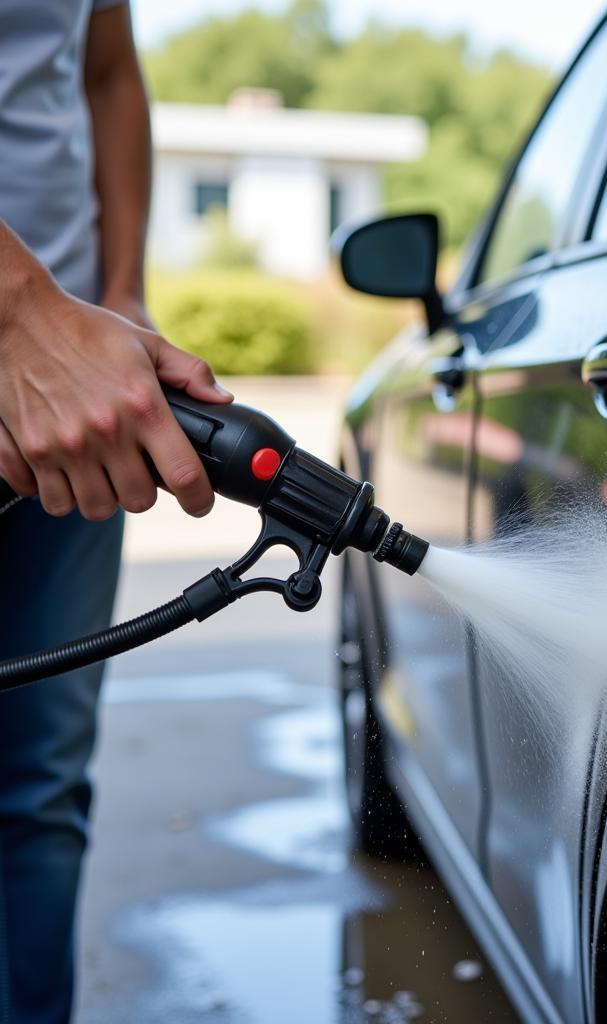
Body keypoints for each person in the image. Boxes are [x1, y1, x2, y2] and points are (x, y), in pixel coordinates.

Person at [0, 3, 231, 1021]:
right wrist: (16, 316)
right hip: (36, 346)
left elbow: (105, 73)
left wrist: (121, 296)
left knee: (42, 781)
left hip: (78, 386)